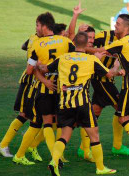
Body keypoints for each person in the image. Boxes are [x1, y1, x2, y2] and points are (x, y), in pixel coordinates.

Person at [39, 32, 118, 175]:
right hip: (83, 104)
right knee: (94, 136)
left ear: (73, 42)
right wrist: (116, 64)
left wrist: (38, 63)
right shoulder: (90, 60)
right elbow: (109, 74)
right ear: (87, 43)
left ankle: (54, 161)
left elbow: (45, 69)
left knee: (64, 136)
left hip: (65, 104)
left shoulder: (62, 58)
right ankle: (100, 168)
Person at [12, 11, 75, 165]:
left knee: (44, 123)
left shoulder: (37, 44)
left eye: (38, 25)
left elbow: (29, 71)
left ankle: (50, 156)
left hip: (43, 90)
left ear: (45, 26)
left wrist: (43, 75)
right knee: (57, 123)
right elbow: (74, 60)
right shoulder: (65, 42)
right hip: (60, 89)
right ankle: (56, 156)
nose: (37, 28)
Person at [86, 14, 129, 162]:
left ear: (126, 27)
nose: (115, 26)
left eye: (118, 24)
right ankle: (127, 147)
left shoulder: (122, 43)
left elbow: (101, 50)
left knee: (122, 117)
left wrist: (81, 47)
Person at [76, 25, 129, 162]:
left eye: (92, 37)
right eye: (89, 37)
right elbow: (79, 43)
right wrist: (115, 69)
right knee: (123, 111)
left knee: (94, 114)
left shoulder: (125, 41)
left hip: (105, 80)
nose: (92, 39)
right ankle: (125, 146)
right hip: (102, 82)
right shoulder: (102, 37)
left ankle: (83, 149)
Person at [0, 33, 39, 158]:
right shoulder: (41, 41)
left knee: (37, 115)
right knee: (25, 114)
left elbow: (23, 46)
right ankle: (4, 144)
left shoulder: (33, 37)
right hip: (29, 81)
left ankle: (28, 141)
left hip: (34, 81)